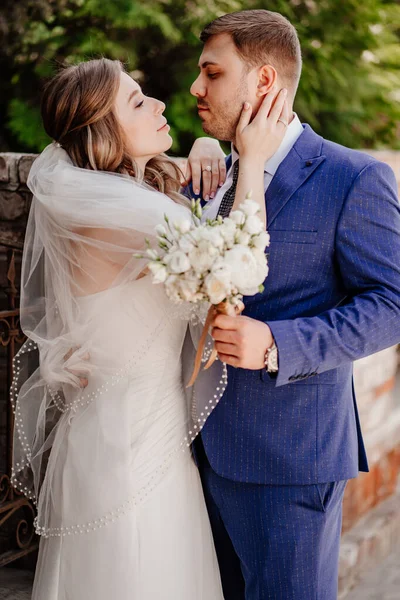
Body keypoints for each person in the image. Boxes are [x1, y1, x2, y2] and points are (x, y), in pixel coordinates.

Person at [11, 57, 288, 599]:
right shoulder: (116, 213)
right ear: (103, 132)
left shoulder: (119, 200)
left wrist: (204, 151)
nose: (160, 103)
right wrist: (249, 160)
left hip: (134, 436)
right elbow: (239, 261)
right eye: (137, 102)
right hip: (129, 452)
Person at [188, 9, 400, 600]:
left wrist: (280, 343)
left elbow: (392, 303)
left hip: (291, 459)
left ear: (262, 83)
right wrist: (207, 148)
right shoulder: (214, 174)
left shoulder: (353, 177)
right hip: (197, 454)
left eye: (212, 73)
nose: (195, 88)